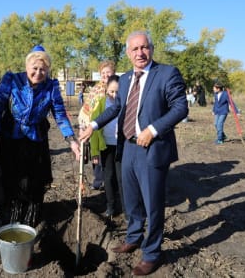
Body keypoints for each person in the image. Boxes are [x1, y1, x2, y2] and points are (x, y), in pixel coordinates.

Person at [80, 31, 188, 276]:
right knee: (131, 199)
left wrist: (153, 129)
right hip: (127, 147)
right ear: (128, 53)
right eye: (134, 49)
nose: (140, 53)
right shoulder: (126, 78)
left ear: (151, 48)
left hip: (152, 149)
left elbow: (180, 107)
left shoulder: (167, 73)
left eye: (144, 47)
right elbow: (117, 107)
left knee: (153, 204)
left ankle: (151, 253)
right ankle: (134, 237)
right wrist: (93, 125)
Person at [0, 45, 80, 228]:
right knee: (13, 181)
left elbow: (60, 114)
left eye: (43, 69)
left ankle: (30, 220)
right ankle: (12, 219)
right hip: (10, 140)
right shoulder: (12, 80)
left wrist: (71, 140)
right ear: (27, 66)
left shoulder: (51, 87)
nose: (38, 73)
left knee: (33, 183)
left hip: (36, 142)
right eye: (35, 68)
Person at [90, 74, 125, 219]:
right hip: (106, 147)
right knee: (108, 177)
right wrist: (94, 153)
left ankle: (126, 209)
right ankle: (110, 207)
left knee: (122, 178)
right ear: (106, 90)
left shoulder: (125, 104)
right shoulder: (101, 104)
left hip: (122, 146)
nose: (114, 95)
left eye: (118, 92)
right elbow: (94, 130)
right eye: (111, 91)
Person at [78, 60, 116, 190]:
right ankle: (99, 181)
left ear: (113, 73)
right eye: (103, 73)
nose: (105, 75)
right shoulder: (95, 90)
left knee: (112, 156)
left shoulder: (118, 88)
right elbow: (87, 108)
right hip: (96, 127)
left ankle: (112, 182)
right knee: (97, 156)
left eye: (108, 72)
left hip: (113, 128)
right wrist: (84, 125)